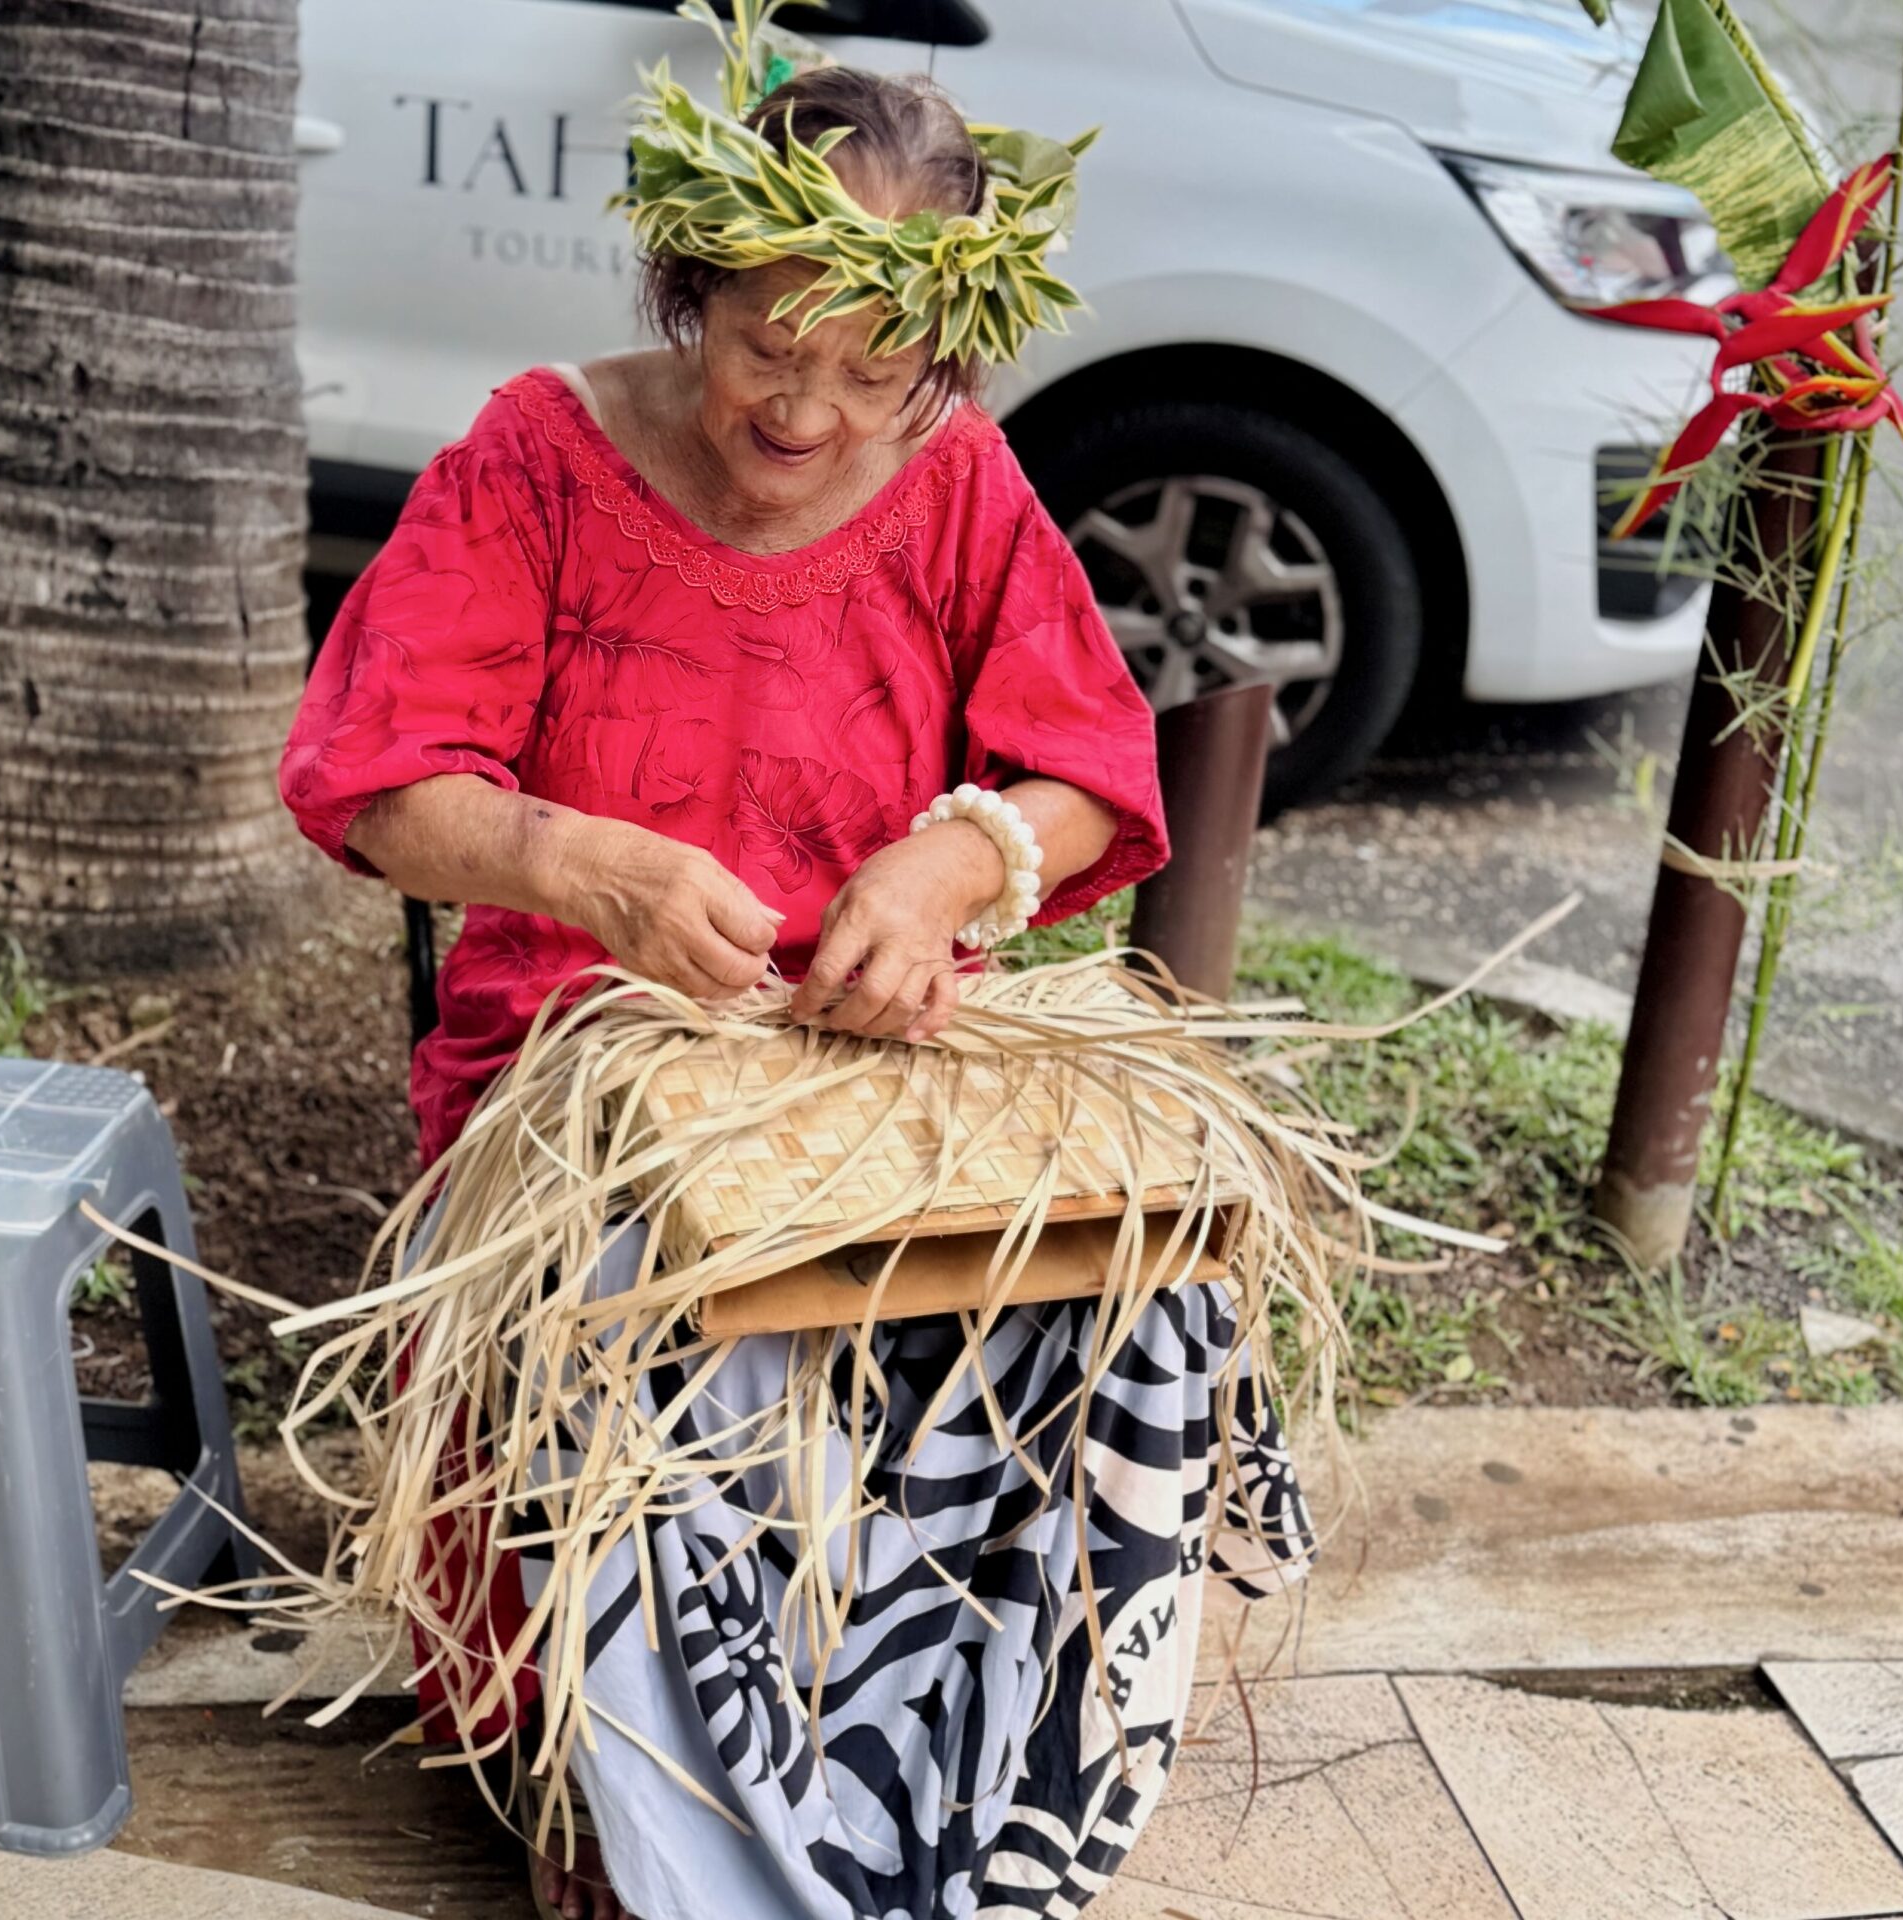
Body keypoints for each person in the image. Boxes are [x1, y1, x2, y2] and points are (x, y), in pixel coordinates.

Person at [278, 10, 1312, 1916]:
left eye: (875, 370)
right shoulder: (539, 458)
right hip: (579, 1070)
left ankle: (955, 1779)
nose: (811, 411)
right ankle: (651, 1814)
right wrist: (578, 863)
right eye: (770, 343)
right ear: (695, 283)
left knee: (1117, 1311)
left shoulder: (956, 480)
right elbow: (374, 778)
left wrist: (950, 861)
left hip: (873, 1060)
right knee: (657, 1319)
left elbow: (1093, 773)